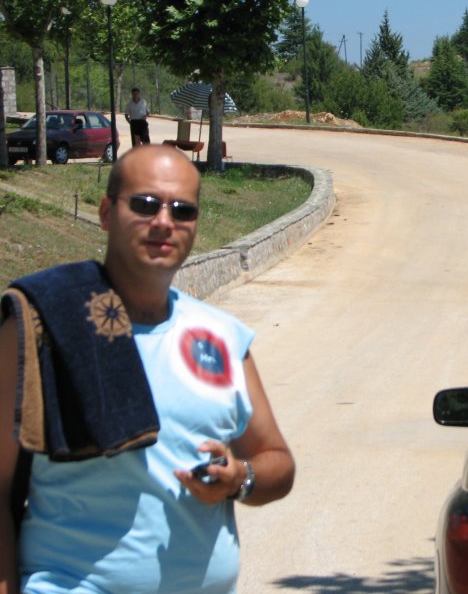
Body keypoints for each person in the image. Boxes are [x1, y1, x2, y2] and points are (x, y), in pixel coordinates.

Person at [0, 145, 295, 593]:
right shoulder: (44, 323)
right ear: (106, 213)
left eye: (182, 210)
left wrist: (240, 478)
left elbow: (277, 461)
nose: (163, 221)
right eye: (145, 204)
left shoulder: (222, 337)